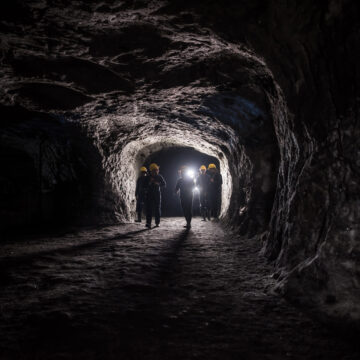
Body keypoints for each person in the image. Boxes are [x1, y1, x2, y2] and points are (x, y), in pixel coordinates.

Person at [144, 163, 166, 228]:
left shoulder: (159, 176)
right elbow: (144, 185)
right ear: (151, 171)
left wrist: (158, 184)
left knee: (157, 208)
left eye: (157, 170)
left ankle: (157, 222)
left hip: (157, 194)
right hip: (149, 194)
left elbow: (164, 184)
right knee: (149, 209)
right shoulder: (148, 177)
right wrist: (150, 183)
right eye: (155, 170)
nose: (156, 171)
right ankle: (148, 223)